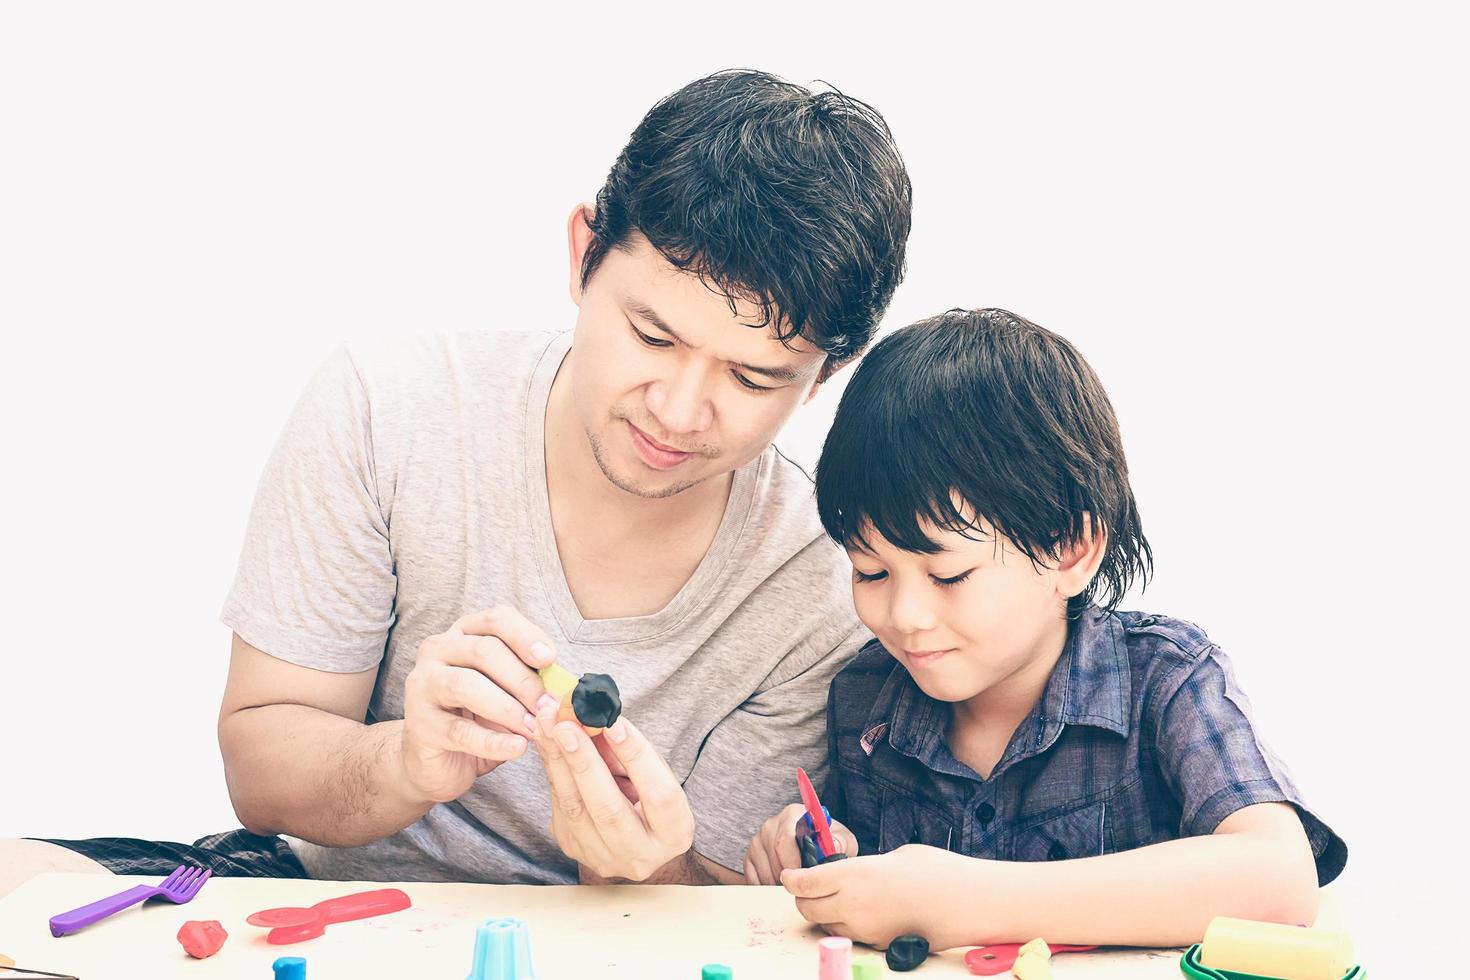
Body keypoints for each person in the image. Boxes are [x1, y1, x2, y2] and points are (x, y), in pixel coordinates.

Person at [0, 68, 912, 896]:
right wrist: (406, 761)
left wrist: (648, 865)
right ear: (582, 255)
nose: (678, 410)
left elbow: (706, 912)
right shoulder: (386, 408)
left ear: (825, 376)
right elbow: (260, 773)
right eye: (652, 336)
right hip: (316, 902)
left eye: (753, 379)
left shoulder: (824, 582)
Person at [743, 308, 1346, 949]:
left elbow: (1279, 880)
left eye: (948, 577)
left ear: (1071, 551)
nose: (905, 616)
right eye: (870, 573)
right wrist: (817, 857)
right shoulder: (866, 701)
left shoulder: (1168, 683)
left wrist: (966, 900)